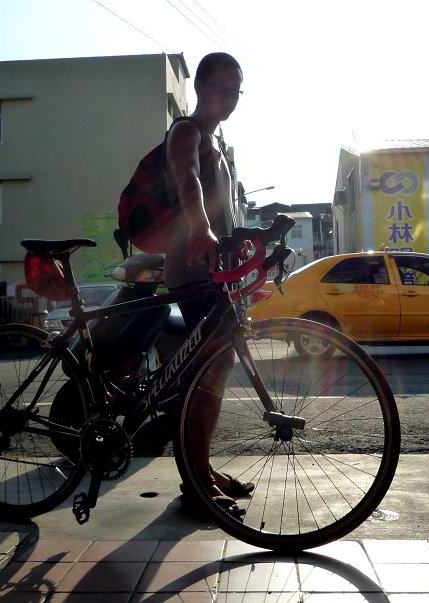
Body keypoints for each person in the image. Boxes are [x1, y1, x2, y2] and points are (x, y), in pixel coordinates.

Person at [163, 52, 252, 518]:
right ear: (199, 86)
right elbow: (188, 182)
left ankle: (202, 467)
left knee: (212, 376)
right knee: (201, 379)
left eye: (236, 90)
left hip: (217, 274)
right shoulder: (186, 132)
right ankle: (195, 482)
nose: (228, 97)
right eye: (220, 87)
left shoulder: (218, 144)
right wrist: (199, 227)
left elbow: (226, 215)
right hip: (193, 271)